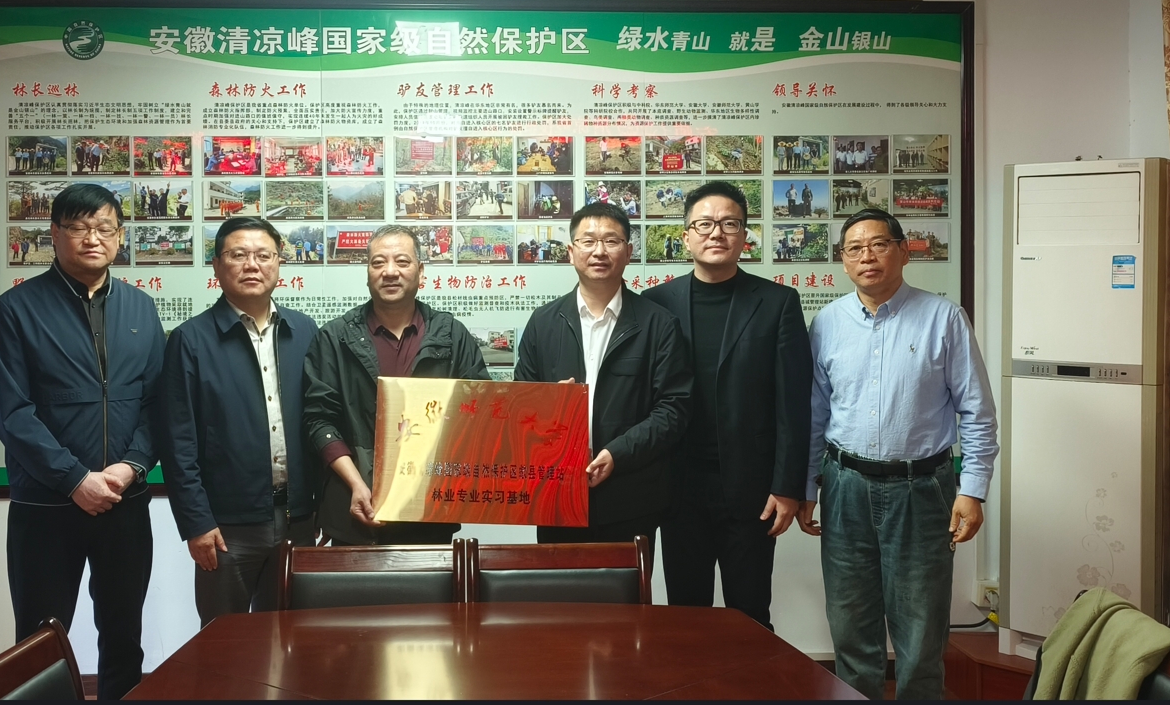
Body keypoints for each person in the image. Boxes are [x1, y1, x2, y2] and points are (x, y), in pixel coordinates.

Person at [796, 207, 998, 700]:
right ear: (843, 260)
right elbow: (815, 414)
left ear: (904, 252)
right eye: (854, 248)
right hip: (844, 487)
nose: (867, 256)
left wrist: (972, 491)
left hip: (922, 490)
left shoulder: (944, 318)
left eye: (879, 244)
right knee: (850, 624)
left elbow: (977, 412)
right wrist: (807, 488)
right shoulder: (827, 322)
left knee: (921, 628)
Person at [0, 183, 164, 700]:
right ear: (54, 233)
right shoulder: (16, 310)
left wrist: (131, 466)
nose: (92, 239)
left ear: (120, 236)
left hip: (124, 502)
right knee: (40, 642)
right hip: (47, 506)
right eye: (79, 227)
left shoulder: (141, 308)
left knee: (124, 636)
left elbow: (157, 403)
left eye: (104, 228)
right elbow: (13, 412)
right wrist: (75, 479)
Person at [643, 182, 812, 630]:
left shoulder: (777, 303)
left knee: (751, 616)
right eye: (704, 224)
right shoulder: (656, 304)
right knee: (685, 617)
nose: (716, 233)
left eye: (729, 224)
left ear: (744, 236)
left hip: (752, 490)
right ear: (686, 236)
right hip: (678, 489)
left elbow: (794, 403)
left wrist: (788, 487)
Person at [157, 217, 319, 627]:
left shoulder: (303, 331)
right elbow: (177, 441)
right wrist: (196, 522)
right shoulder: (190, 340)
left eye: (263, 255)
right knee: (223, 640)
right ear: (216, 265)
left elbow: (320, 419)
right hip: (227, 527)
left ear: (279, 264)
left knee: (291, 637)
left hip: (298, 519)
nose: (252, 265)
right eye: (238, 255)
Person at [514, 202, 690, 543]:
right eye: (588, 241)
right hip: (557, 493)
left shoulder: (658, 323)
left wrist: (617, 454)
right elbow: (520, 403)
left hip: (630, 495)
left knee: (626, 580)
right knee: (559, 579)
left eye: (611, 241)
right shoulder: (543, 322)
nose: (599, 251)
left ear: (628, 252)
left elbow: (673, 409)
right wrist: (549, 404)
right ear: (571, 252)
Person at [304, 224, 490, 545]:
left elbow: (481, 412)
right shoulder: (334, 338)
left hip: (430, 512)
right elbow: (319, 420)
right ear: (367, 273)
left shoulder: (451, 335)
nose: (390, 272)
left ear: (421, 271)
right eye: (378, 262)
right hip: (353, 510)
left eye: (402, 262)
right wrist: (356, 484)